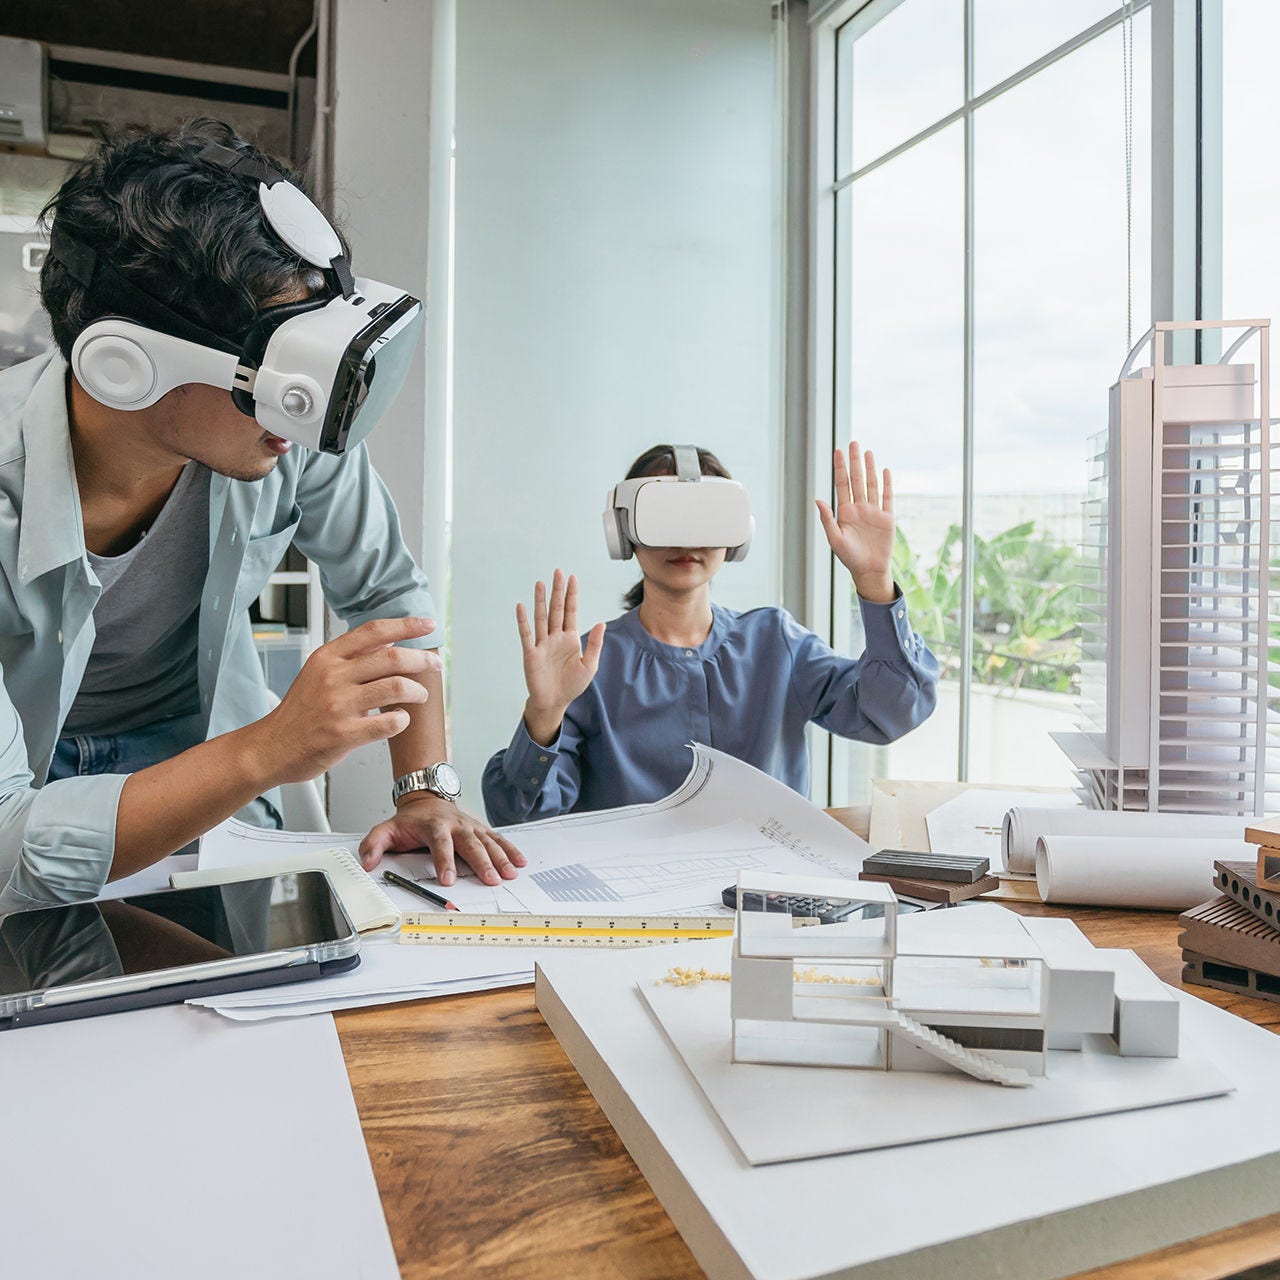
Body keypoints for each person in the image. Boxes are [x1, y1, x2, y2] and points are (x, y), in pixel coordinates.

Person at [0, 118, 522, 914]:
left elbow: (388, 598)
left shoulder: (283, 426)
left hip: (194, 750)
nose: (305, 402)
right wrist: (272, 750)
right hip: (29, 771)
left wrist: (424, 792)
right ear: (124, 364)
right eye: (281, 367)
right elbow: (10, 846)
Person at [481, 441, 939, 824]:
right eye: (664, 517)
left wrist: (875, 583)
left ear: (737, 535)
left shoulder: (775, 643)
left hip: (768, 902)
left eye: (705, 518)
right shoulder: (586, 666)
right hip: (639, 910)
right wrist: (544, 716)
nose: (686, 540)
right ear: (624, 532)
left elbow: (891, 714)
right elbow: (521, 820)